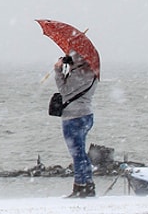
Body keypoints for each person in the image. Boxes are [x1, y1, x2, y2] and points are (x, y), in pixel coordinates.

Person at [54, 50, 98, 198]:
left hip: (73, 117)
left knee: (77, 154)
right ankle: (88, 185)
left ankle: (80, 187)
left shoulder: (80, 74)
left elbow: (64, 90)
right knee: (81, 152)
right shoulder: (92, 72)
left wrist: (58, 70)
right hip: (86, 115)